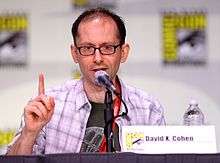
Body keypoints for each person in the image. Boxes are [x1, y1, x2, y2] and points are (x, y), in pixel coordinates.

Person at [6, 7, 165, 155]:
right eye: (87, 48)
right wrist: (29, 133)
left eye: (107, 47)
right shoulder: (49, 104)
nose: (97, 58)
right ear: (75, 54)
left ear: (123, 52)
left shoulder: (148, 108)